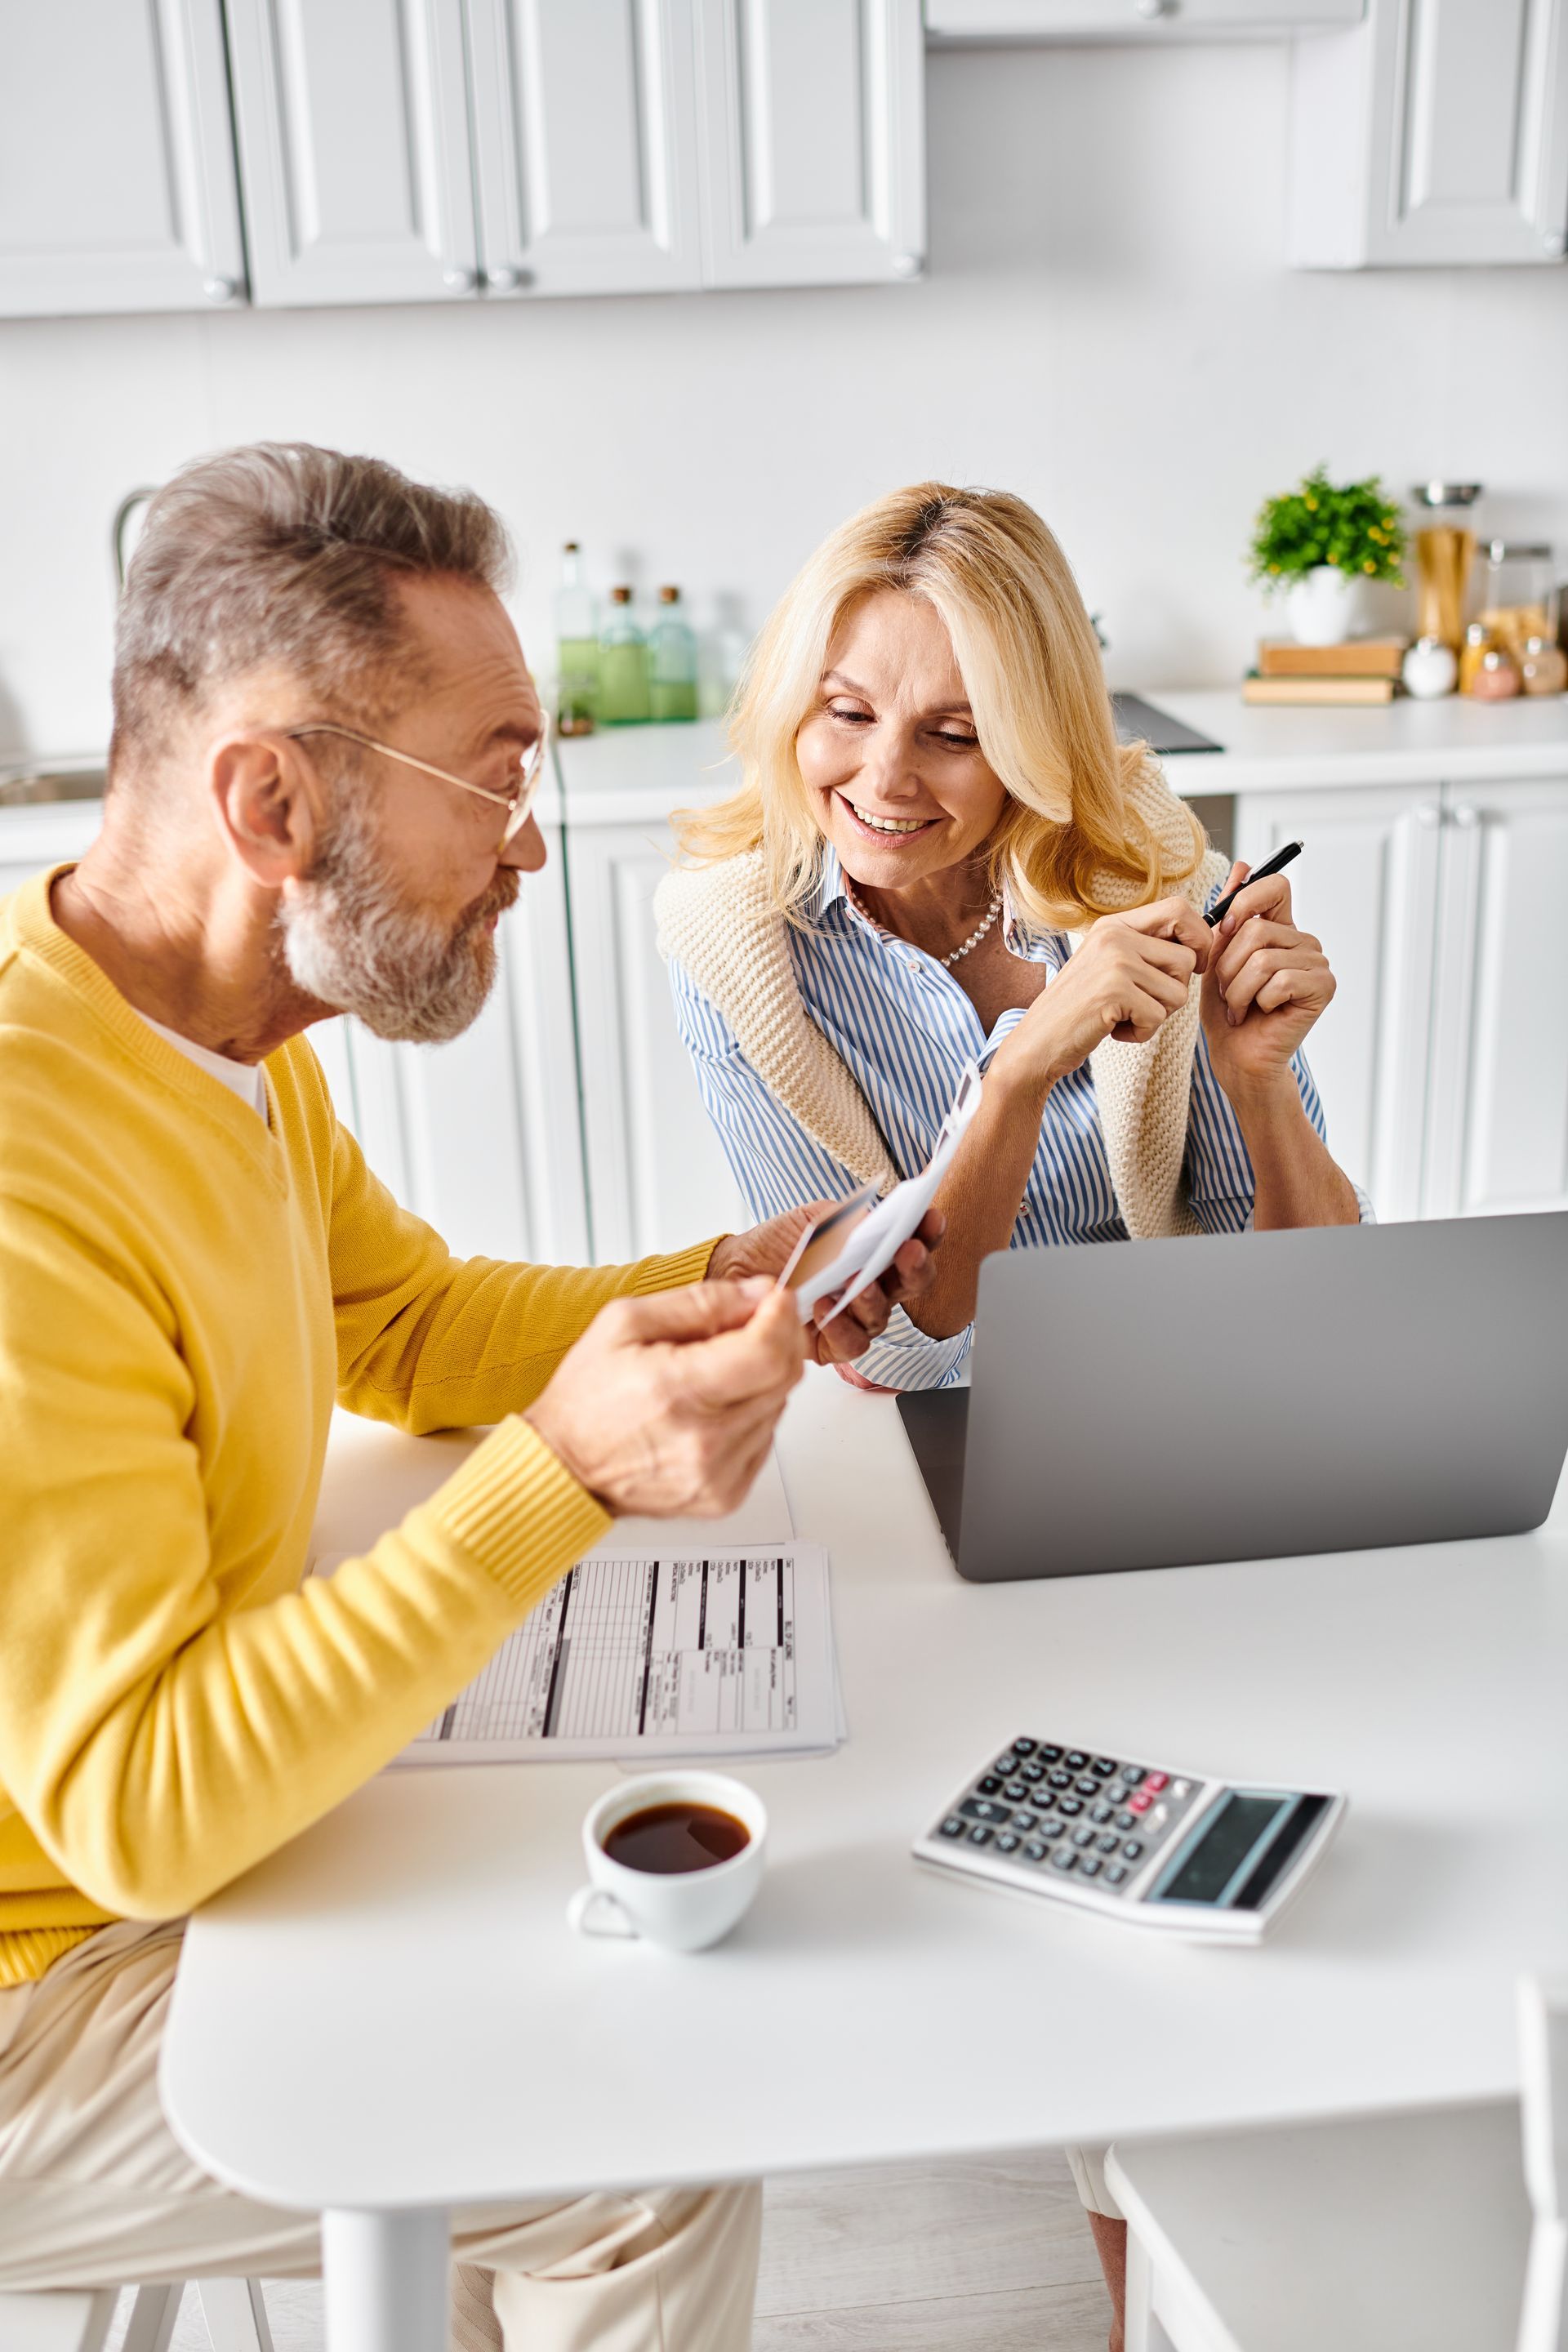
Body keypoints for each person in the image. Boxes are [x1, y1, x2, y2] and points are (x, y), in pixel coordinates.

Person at [0, 444, 940, 2352]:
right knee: (643, 2126)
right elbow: (143, 1813)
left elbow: (407, 1325)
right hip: (45, 1970)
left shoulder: (216, 1034)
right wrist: (568, 1475)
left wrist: (720, 1276)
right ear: (270, 799)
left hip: (136, 1863)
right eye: (496, 773)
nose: (527, 843)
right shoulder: (28, 1173)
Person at [657, 482, 1365, 2346]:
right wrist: (1016, 1073)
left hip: (1170, 1448)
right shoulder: (739, 939)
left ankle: (1197, 2255)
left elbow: (1298, 1274)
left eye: (959, 731)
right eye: (848, 709)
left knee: (1283, 1835)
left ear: (1039, 737)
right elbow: (889, 1333)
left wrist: (1257, 1078)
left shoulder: (1148, 870)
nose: (885, 774)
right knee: (1139, 1852)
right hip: (918, 1469)